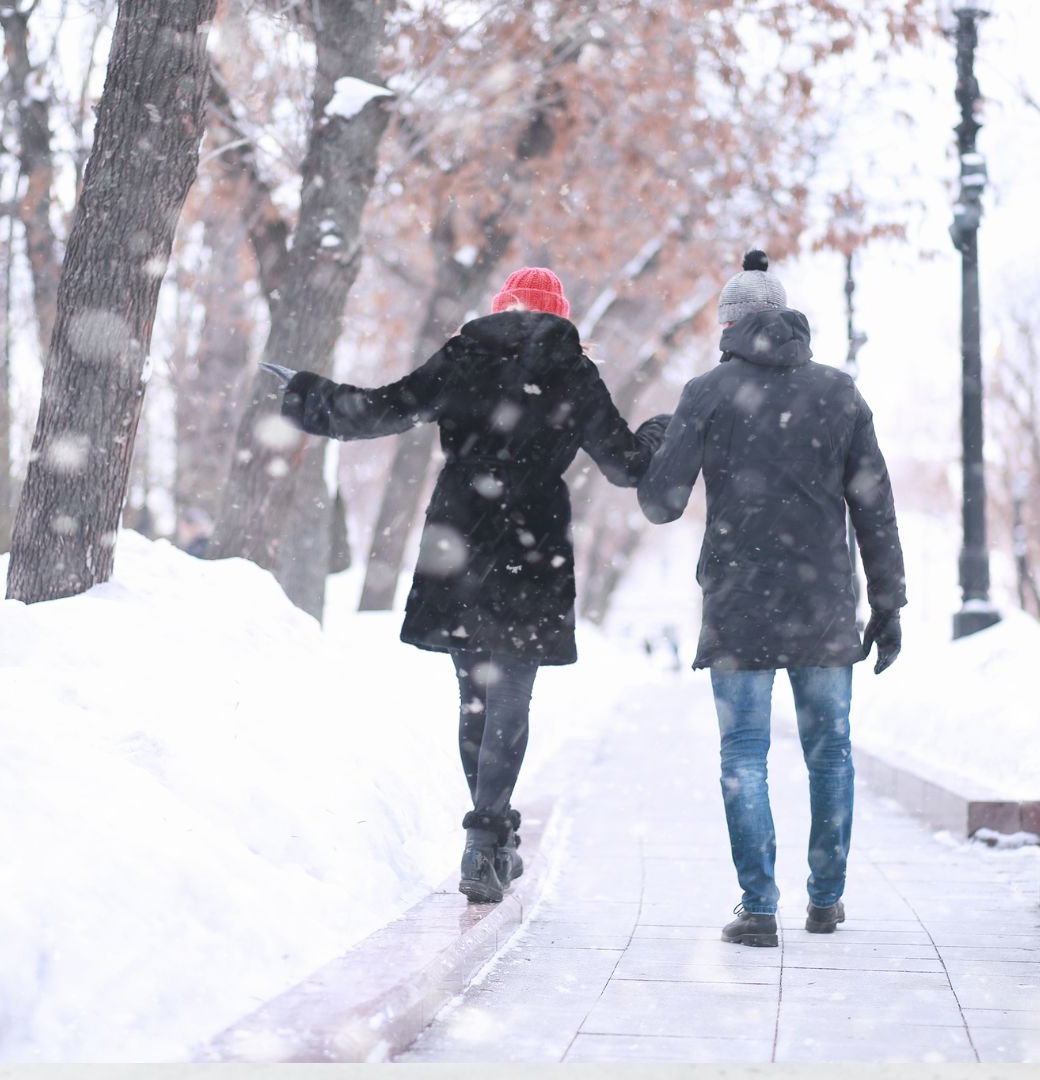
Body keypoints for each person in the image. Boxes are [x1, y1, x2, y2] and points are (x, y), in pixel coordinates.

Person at [263, 267, 668, 903]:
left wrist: (311, 396)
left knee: (474, 694)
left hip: (463, 536)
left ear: (502, 306)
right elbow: (624, 466)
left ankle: (491, 841)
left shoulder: (465, 353)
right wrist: (658, 434)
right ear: (560, 315)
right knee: (510, 696)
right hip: (533, 542)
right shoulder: (572, 370)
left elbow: (383, 409)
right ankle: (488, 838)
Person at [637, 250, 906, 948]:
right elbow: (874, 506)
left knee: (744, 756)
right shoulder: (839, 393)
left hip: (738, 604)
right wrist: (889, 602)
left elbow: (663, 504)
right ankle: (826, 899)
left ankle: (758, 908)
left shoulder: (706, 393)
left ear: (726, 325)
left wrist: (661, 444)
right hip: (823, 602)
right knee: (831, 753)